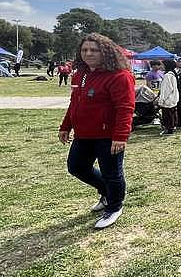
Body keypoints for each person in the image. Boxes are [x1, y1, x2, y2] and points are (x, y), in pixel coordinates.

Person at [58, 33, 135, 229]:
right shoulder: (80, 74)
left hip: (108, 136)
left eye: (94, 50)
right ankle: (107, 193)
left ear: (105, 52)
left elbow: (125, 108)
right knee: (76, 167)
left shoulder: (120, 76)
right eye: (85, 50)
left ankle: (115, 206)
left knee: (112, 173)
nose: (88, 54)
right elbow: (74, 103)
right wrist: (66, 126)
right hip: (84, 134)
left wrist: (120, 136)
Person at [157, 59, 179, 136]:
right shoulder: (172, 74)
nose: (160, 67)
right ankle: (172, 127)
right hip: (173, 99)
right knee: (172, 114)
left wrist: (161, 100)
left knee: (167, 115)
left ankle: (169, 129)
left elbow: (166, 90)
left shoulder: (167, 76)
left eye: (162, 65)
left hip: (168, 100)